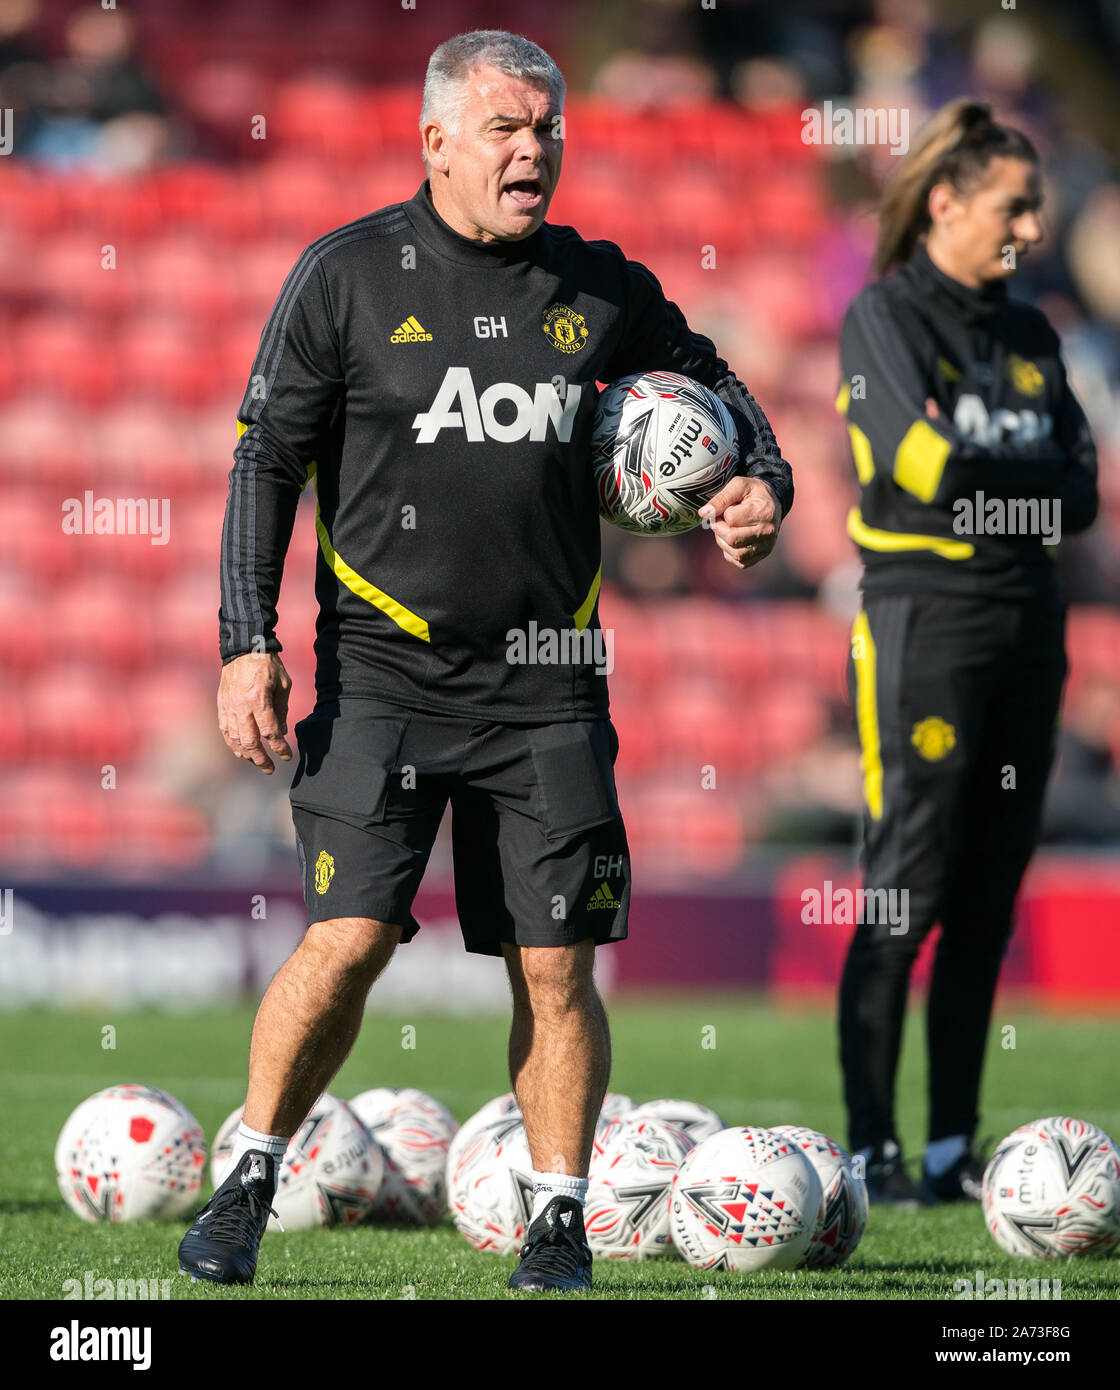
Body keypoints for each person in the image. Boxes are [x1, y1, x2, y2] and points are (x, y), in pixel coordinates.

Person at [178, 28, 792, 1292]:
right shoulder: (345, 275)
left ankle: (556, 1220)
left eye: (548, 129)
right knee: (349, 939)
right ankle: (247, 1179)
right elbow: (265, 460)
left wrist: (761, 485)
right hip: (382, 677)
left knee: (556, 964)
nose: (532, 151)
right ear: (437, 140)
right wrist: (247, 643)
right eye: (506, 128)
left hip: (548, 684)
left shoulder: (602, 287)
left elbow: (721, 392)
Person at [836, 99, 1098, 1204]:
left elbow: (1083, 496)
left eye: (1036, 209)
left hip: (1030, 624)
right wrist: (1016, 487)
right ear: (945, 202)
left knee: (988, 898)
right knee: (907, 885)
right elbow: (919, 463)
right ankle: (871, 1150)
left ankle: (949, 1151)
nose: (1032, 229)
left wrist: (991, 483)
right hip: (924, 623)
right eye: (1014, 207)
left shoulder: (1031, 334)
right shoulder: (884, 318)